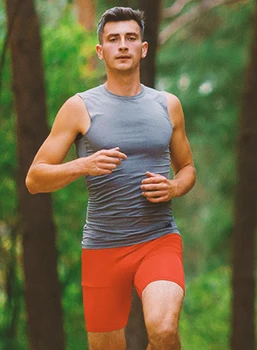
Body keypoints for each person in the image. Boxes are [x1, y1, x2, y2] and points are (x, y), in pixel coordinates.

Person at [25, 6, 196, 350]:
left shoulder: (168, 105)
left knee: (163, 330)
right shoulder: (79, 108)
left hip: (158, 239)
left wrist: (175, 186)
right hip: (104, 246)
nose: (122, 45)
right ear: (101, 51)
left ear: (143, 48)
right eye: (113, 39)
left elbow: (188, 168)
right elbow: (35, 178)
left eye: (131, 38)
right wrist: (83, 166)